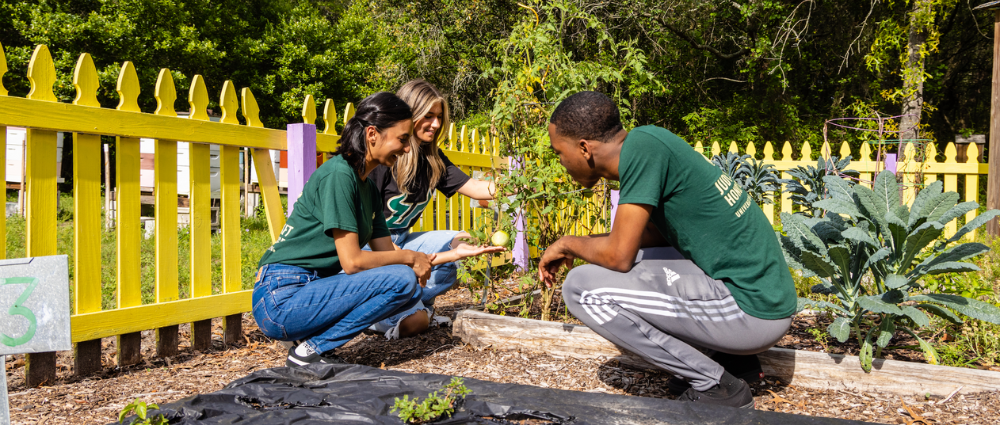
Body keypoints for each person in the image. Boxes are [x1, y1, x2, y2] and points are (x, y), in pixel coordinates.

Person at [538, 91, 796, 409]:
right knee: (611, 266)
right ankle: (728, 359)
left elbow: (618, 257)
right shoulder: (648, 141)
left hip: (753, 311)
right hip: (755, 294)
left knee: (582, 289)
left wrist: (566, 243)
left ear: (584, 148)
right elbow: (648, 238)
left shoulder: (642, 152)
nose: (560, 162)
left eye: (558, 152)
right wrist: (582, 247)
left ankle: (716, 385)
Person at [252, 92, 495, 367]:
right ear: (372, 134)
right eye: (402, 139)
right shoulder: (339, 175)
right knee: (403, 278)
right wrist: (410, 259)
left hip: (311, 287)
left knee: (407, 286)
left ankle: (309, 343)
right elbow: (354, 262)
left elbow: (387, 252)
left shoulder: (366, 186)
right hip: (282, 296)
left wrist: (446, 256)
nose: (406, 149)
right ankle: (309, 350)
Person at [367, 80, 501, 338]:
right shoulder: (384, 158)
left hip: (402, 238)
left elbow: (475, 188)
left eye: (439, 117)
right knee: (414, 323)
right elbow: (366, 229)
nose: (436, 124)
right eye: (428, 116)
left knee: (461, 241)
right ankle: (379, 316)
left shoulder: (433, 159)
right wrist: (405, 258)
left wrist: (519, 185)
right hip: (370, 244)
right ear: (409, 115)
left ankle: (414, 304)